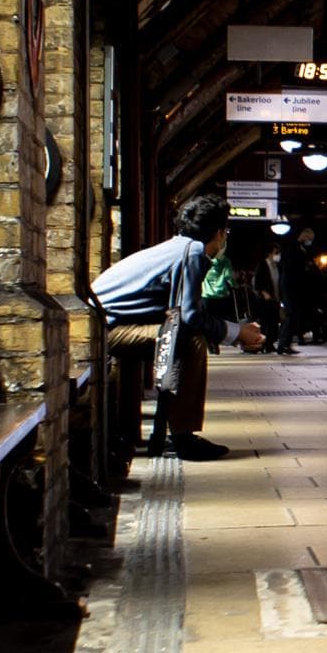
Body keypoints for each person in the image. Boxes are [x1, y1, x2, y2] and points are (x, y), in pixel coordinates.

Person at [90, 193, 235, 460]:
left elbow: (183, 308)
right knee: (190, 340)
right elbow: (189, 316)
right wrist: (236, 333)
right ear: (218, 233)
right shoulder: (192, 251)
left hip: (102, 324)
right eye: (225, 230)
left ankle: (172, 431)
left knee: (180, 335)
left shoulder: (178, 247)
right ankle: (183, 437)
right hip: (104, 330)